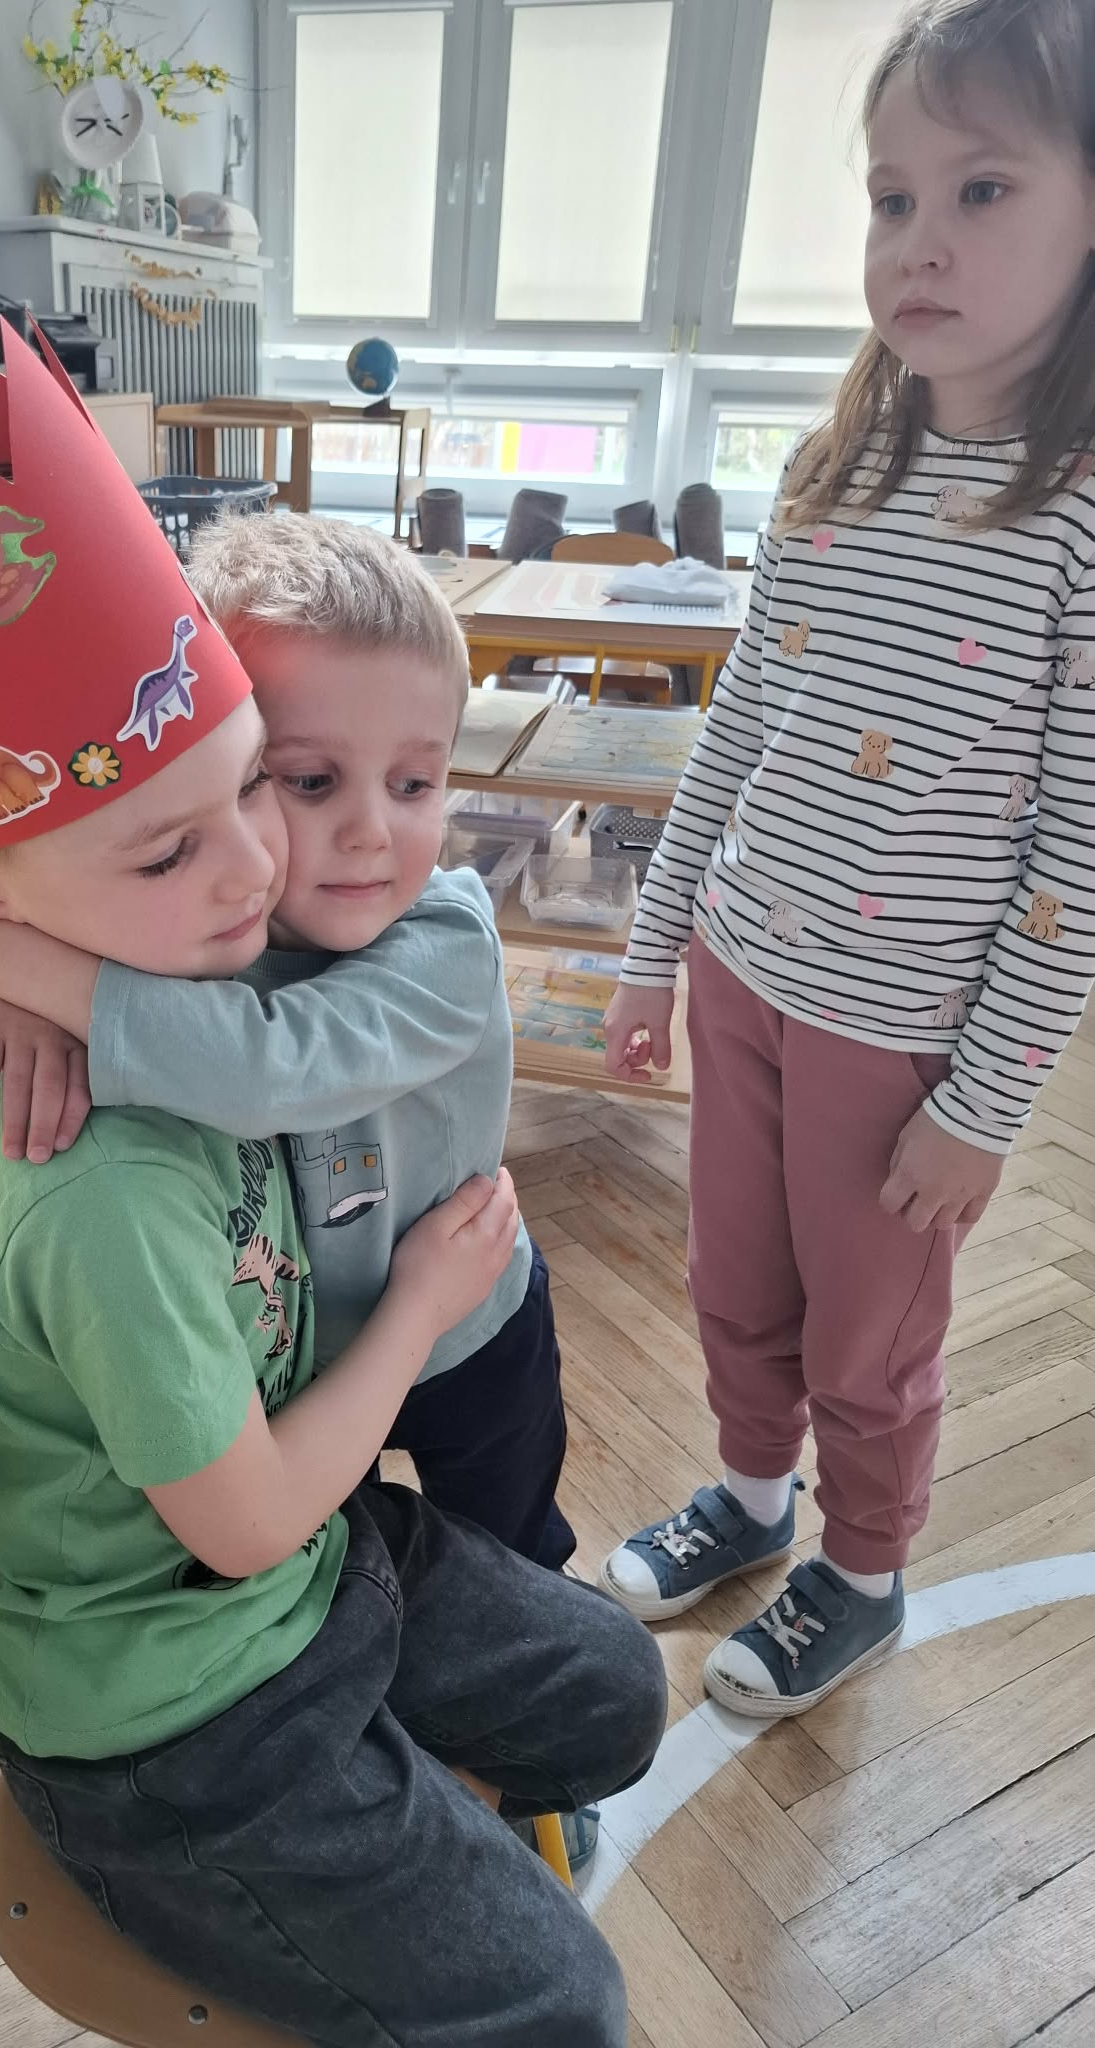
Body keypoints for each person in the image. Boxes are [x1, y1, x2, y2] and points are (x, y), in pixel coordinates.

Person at [0, 326, 666, 2046]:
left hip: (350, 1468)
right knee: (565, 2005)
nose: (263, 866)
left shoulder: (286, 949)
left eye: (247, 791)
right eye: (216, 820)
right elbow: (236, 1513)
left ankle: (403, 1789)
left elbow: (196, 1009)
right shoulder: (113, 1166)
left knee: (607, 1682)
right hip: (190, 1676)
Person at [598, 0, 1095, 1717]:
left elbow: (1077, 849)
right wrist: (653, 950)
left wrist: (985, 1102)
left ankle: (861, 1571)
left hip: (903, 1037)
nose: (919, 241)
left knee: (866, 1339)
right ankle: (750, 1501)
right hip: (740, 969)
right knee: (733, 1279)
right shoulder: (834, 472)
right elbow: (735, 732)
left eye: (980, 190)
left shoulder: (1077, 515)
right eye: (893, 200)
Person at [0, 512, 578, 1578]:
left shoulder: (447, 941)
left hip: (469, 1328)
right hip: (299, 1366)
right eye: (306, 780)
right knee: (356, 1559)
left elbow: (266, 1064)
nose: (371, 831)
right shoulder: (201, 925)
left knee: (512, 1560)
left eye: (415, 784)